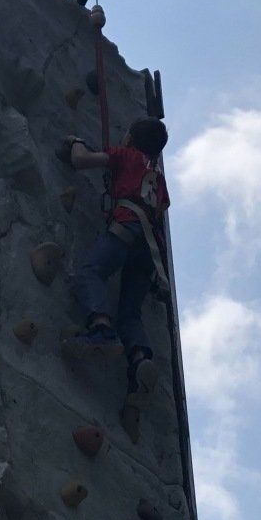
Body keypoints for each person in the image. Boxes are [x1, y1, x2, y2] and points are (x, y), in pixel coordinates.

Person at [60, 115, 172, 394]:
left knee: (91, 272)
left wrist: (76, 142)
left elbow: (82, 160)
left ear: (131, 139)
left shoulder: (126, 155)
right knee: (131, 312)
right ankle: (140, 358)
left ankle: (101, 329)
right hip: (151, 250)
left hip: (127, 227)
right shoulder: (158, 178)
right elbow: (160, 210)